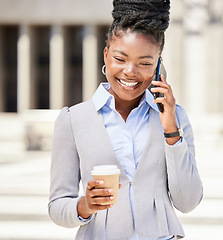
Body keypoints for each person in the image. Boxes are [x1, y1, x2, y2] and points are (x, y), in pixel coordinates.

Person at [48, 0, 203, 239]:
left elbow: (188, 202)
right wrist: (85, 205)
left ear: (158, 64)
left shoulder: (175, 116)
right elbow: (58, 206)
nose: (130, 71)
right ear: (106, 55)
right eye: (120, 59)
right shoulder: (73, 120)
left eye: (145, 63)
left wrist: (171, 131)